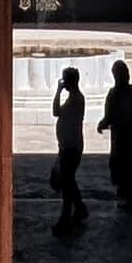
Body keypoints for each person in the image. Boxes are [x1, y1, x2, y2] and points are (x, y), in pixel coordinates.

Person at [98, 59, 132, 212]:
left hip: (126, 133)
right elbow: (109, 115)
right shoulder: (120, 93)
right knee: (121, 164)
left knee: (126, 165)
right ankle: (126, 194)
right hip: (122, 133)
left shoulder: (124, 92)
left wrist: (125, 119)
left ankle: (130, 196)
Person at [50, 66, 87, 235]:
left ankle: (65, 220)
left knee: (67, 183)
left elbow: (56, 111)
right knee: (70, 180)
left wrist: (58, 91)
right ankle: (80, 208)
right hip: (70, 146)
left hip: (70, 148)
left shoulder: (75, 101)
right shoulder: (76, 98)